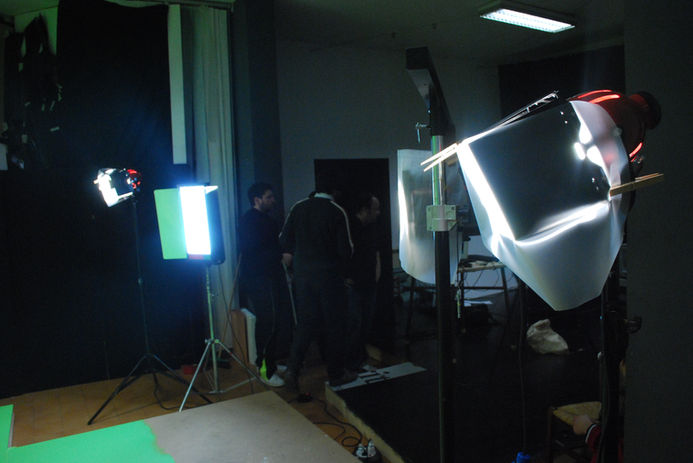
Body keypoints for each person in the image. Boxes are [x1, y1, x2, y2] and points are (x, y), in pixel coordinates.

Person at [279, 172, 356, 390]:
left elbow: (284, 240)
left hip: (303, 276)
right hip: (329, 277)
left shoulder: (298, 207)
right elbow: (346, 250)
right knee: (334, 324)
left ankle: (292, 370)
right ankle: (336, 373)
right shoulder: (336, 211)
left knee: (305, 323)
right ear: (335, 192)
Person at [238, 182, 291, 387]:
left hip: (271, 277)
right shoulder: (249, 222)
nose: (273, 201)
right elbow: (253, 251)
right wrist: (280, 256)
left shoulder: (267, 221)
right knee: (268, 322)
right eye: (269, 197)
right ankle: (265, 370)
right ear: (257, 199)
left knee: (275, 321)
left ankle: (272, 364)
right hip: (259, 279)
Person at [345, 191, 381, 373]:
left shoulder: (371, 228)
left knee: (365, 323)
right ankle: (351, 363)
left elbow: (375, 251)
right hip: (354, 284)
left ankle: (359, 360)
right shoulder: (350, 228)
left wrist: (377, 271)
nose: (378, 213)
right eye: (375, 209)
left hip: (368, 282)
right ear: (365, 210)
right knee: (355, 324)